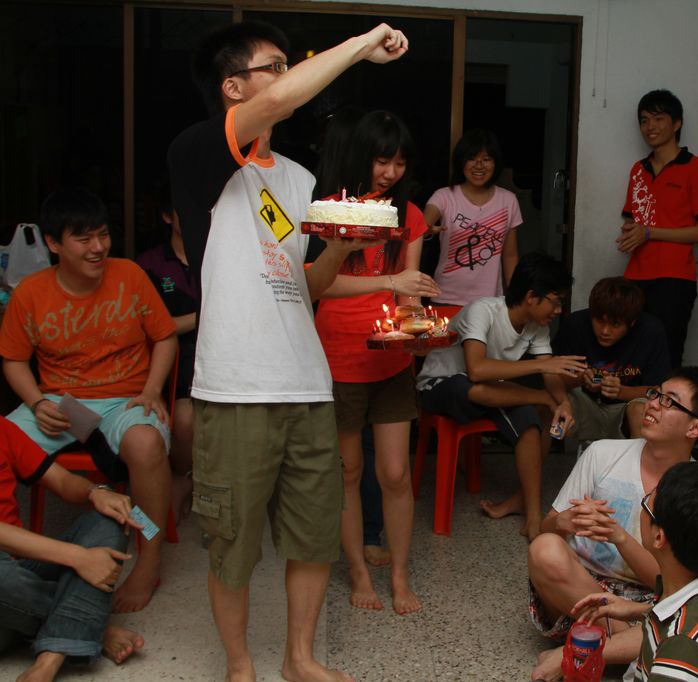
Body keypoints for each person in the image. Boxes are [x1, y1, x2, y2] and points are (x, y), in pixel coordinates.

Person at [167, 20, 407, 682]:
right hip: (234, 388)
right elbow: (278, 101)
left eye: (284, 66)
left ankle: (300, 658)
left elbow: (308, 283)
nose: (286, 78)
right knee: (233, 543)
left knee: (312, 533)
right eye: (274, 66)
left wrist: (340, 250)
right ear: (233, 87)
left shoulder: (299, 179)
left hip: (306, 383)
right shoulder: (197, 154)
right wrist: (360, 46)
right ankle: (240, 665)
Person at [0, 188, 176, 615]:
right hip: (60, 405)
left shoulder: (130, 275)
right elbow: (14, 361)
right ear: (53, 243)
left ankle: (149, 558)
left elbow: (165, 337)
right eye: (83, 239)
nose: (98, 247)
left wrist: (152, 390)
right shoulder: (31, 292)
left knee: (145, 445)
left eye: (103, 235)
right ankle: (9, 552)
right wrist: (36, 402)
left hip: (125, 401)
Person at [313, 109, 440, 615]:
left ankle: (401, 574)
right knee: (349, 471)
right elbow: (318, 284)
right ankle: (359, 573)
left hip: (389, 360)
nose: (390, 172)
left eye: (399, 163)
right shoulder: (333, 209)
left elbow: (410, 292)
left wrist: (418, 333)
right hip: (338, 356)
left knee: (395, 473)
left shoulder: (409, 215)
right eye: (382, 161)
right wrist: (389, 282)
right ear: (361, 157)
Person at [526, 366, 698, 681]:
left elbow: (670, 584)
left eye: (669, 401)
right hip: (578, 590)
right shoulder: (602, 454)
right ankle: (637, 645)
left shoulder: (696, 491)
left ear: (695, 427)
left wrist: (618, 537)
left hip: (646, 600)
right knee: (544, 549)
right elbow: (545, 528)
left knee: (687, 608)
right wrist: (564, 522)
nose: (653, 404)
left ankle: (585, 649)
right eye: (655, 394)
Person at [417, 252, 584, 541]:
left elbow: (550, 374)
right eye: (555, 302)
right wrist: (542, 375)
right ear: (531, 297)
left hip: (491, 392)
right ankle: (538, 399)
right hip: (442, 386)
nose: (558, 310)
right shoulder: (483, 310)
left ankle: (532, 516)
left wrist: (563, 402)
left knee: (529, 422)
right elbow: (477, 369)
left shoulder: (537, 326)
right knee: (475, 387)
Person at [572, 461, 698, 681]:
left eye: (647, 502)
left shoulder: (680, 646)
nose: (643, 505)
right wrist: (638, 610)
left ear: (659, 537)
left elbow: (686, 638)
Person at [0, 417, 146, 682]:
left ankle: (49, 659)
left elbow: (62, 480)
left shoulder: (3, 429)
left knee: (111, 517)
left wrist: (96, 492)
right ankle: (92, 626)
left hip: (17, 576)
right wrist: (79, 557)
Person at [618, 89, 698, 368]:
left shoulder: (696, 169)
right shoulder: (638, 169)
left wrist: (650, 232)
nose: (650, 126)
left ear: (677, 124)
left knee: (666, 356)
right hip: (635, 275)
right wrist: (630, 233)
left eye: (659, 118)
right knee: (630, 355)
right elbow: (631, 220)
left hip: (674, 279)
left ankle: (667, 398)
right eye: (644, 120)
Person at [136, 181, 197, 523]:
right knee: (185, 421)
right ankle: (184, 477)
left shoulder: (219, 257)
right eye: (182, 210)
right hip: (174, 362)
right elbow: (151, 328)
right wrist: (203, 317)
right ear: (166, 216)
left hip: (222, 355)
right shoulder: (149, 265)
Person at [553, 276, 670, 454]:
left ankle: (637, 470)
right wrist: (580, 379)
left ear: (632, 322)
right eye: (600, 321)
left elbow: (660, 390)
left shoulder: (651, 331)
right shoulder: (576, 324)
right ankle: (541, 467)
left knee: (640, 410)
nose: (605, 331)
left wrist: (622, 391)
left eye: (615, 324)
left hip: (626, 409)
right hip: (585, 405)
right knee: (546, 401)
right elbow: (551, 376)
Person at [423, 128, 522, 306]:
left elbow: (510, 256)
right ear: (461, 162)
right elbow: (423, 222)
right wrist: (425, 228)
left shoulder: (508, 201)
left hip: (489, 302)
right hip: (446, 298)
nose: (479, 166)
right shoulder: (444, 196)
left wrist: (516, 299)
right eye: (471, 159)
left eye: (486, 159)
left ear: (496, 163)